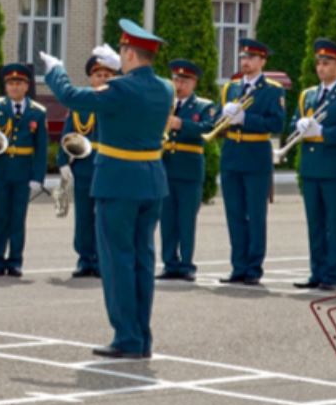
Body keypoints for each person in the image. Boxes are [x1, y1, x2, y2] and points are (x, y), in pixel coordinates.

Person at [41, 21, 172, 360]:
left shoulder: (121, 89)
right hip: (152, 180)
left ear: (128, 53)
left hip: (118, 181)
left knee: (117, 261)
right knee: (142, 259)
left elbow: (71, 96)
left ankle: (127, 337)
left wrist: (55, 70)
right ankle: (141, 336)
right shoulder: (166, 88)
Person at [290, 39, 336, 292]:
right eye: (319, 63)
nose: (321, 67)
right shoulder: (307, 94)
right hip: (310, 166)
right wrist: (298, 126)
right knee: (315, 223)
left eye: (327, 63)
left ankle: (332, 274)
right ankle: (316, 271)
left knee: (334, 223)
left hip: (333, 168)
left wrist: (323, 131)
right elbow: (294, 122)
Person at [0, 63, 48, 278]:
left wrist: (37, 177)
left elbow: (41, 148)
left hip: (23, 172)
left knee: (17, 219)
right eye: (11, 83)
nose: (15, 87)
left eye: (19, 83)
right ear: (5, 86)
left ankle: (15, 262)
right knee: (0, 217)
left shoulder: (37, 112)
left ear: (27, 86)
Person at [217, 38, 285, 286]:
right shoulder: (230, 89)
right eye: (243, 57)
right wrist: (222, 118)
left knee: (255, 214)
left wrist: (246, 118)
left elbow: (276, 124)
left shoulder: (272, 90)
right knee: (234, 213)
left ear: (262, 61)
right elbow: (217, 120)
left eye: (251, 58)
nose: (245, 62)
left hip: (256, 154)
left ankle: (254, 267)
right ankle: (238, 265)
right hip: (232, 154)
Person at [58, 53, 119, 278]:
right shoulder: (80, 105)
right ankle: (85, 259)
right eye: (98, 75)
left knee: (105, 217)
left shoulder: (116, 103)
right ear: (91, 79)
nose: (102, 79)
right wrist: (63, 163)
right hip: (84, 167)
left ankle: (103, 260)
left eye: (106, 75)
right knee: (84, 217)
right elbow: (68, 134)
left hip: (108, 166)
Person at [158, 59, 216, 282]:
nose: (179, 84)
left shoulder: (203, 106)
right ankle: (169, 263)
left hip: (189, 170)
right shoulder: (166, 104)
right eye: (176, 79)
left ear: (194, 82)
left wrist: (181, 125)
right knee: (168, 219)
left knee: (186, 220)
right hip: (166, 168)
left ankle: (186, 264)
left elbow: (207, 128)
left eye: (184, 80)